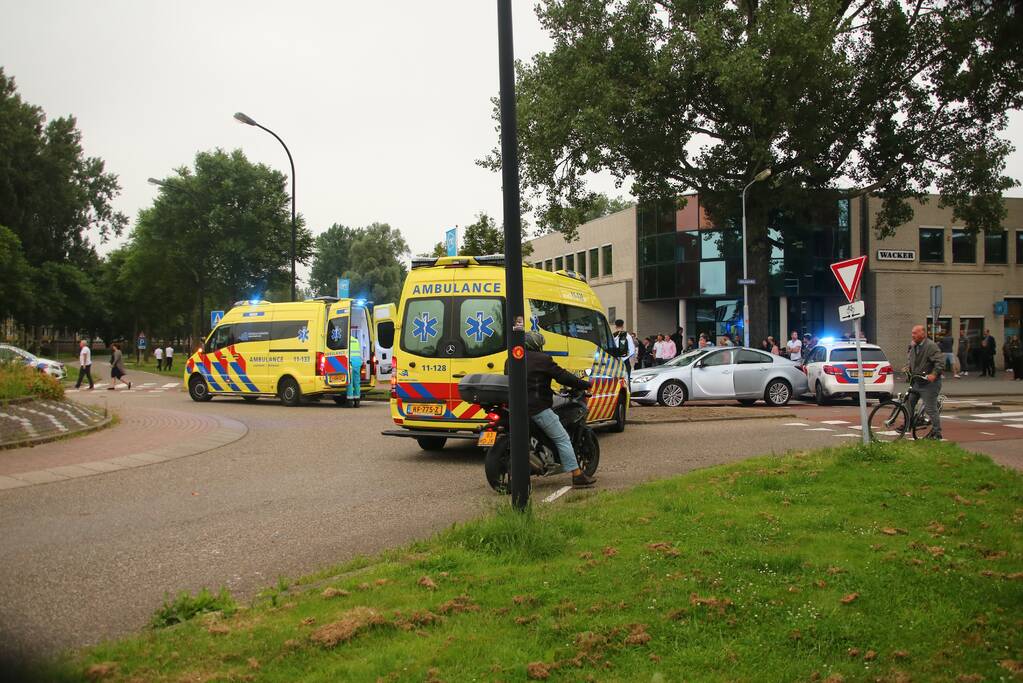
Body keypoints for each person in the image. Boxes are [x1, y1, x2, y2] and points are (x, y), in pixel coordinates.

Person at [508, 331, 595, 488]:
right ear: (537, 345)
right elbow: (562, 376)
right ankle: (577, 475)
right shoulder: (543, 359)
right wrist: (584, 384)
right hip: (537, 407)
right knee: (562, 438)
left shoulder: (512, 359)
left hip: (515, 407)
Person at [907, 324, 944, 439]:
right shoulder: (914, 346)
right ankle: (908, 424)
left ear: (923, 334)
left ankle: (937, 433)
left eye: (915, 333)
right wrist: (908, 368)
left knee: (930, 408)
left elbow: (940, 362)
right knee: (909, 403)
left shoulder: (931, 346)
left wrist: (934, 374)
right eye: (912, 333)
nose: (912, 335)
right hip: (917, 381)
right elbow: (911, 360)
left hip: (929, 384)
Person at [347, 326, 362, 402]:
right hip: (357, 363)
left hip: (350, 363)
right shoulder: (356, 340)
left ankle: (350, 400)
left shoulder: (346, 341)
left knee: (350, 382)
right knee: (357, 382)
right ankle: (357, 400)